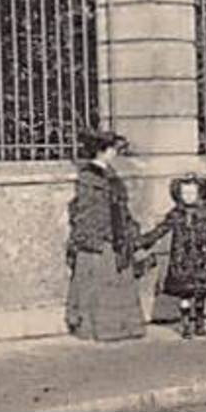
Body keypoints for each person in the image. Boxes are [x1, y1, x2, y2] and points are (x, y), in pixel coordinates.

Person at [64, 129, 152, 342]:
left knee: (118, 281)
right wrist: (97, 237)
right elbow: (87, 211)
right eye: (113, 149)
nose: (115, 153)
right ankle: (100, 329)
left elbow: (121, 207)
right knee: (99, 283)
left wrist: (129, 233)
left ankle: (121, 328)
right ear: (102, 151)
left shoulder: (110, 175)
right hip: (100, 237)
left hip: (116, 235)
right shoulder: (89, 178)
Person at [138, 172, 206, 340]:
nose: (188, 197)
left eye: (191, 193)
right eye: (184, 193)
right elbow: (162, 229)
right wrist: (144, 240)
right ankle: (186, 324)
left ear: (199, 193)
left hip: (203, 258)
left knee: (201, 292)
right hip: (182, 259)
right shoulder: (176, 214)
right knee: (184, 293)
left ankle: (200, 322)